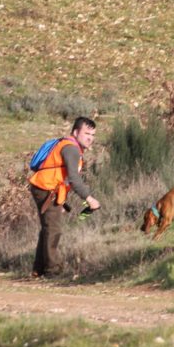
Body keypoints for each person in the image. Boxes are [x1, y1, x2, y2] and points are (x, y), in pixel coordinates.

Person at [28, 116, 101, 277]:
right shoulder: (71, 149)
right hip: (46, 189)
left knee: (49, 227)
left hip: (46, 188)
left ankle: (39, 269)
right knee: (53, 229)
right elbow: (74, 179)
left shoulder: (69, 146)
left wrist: (61, 201)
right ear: (75, 132)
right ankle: (53, 270)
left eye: (93, 135)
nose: (90, 138)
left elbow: (64, 177)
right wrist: (89, 198)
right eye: (87, 133)